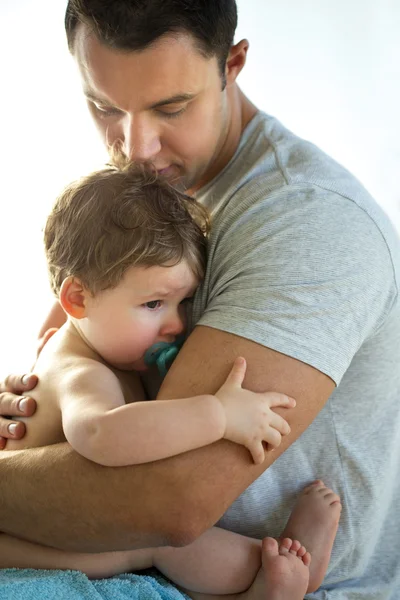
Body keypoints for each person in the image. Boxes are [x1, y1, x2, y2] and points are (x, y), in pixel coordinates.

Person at [0, 1, 399, 597]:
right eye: (106, 106)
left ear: (232, 65)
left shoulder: (307, 221)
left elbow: (164, 501)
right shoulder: (144, 204)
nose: (134, 147)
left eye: (171, 107)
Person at [0, 162, 341, 599]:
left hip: (54, 533)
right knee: (156, 546)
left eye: (185, 302)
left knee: (155, 545)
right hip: (26, 547)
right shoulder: (79, 372)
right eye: (154, 303)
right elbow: (100, 433)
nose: (176, 324)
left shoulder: (98, 343)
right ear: (77, 299)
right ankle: (272, 577)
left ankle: (282, 574)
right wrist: (218, 415)